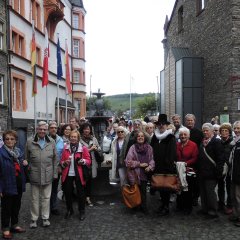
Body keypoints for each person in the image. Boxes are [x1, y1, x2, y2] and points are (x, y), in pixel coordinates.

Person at [25, 121, 57, 228]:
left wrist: (55, 174)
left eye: (44, 129)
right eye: (40, 129)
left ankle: (45, 218)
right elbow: (27, 158)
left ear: (47, 130)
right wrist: (28, 169)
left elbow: (55, 159)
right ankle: (34, 219)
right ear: (36, 129)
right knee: (34, 198)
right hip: (35, 174)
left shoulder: (52, 142)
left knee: (46, 198)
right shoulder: (30, 142)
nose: (42, 131)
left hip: (48, 174)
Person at [0, 130, 28, 239]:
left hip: (18, 183)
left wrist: (24, 164)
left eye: (12, 139)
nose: (9, 141)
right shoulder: (1, 153)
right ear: (4, 140)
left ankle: (14, 225)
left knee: (16, 206)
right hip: (7, 184)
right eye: (7, 139)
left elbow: (19, 168)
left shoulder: (18, 152)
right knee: (6, 208)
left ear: (16, 140)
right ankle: (5, 228)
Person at [60, 130, 91, 221]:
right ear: (69, 138)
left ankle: (82, 211)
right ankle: (69, 210)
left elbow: (88, 160)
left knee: (81, 194)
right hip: (68, 173)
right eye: (71, 137)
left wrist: (83, 161)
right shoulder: (66, 147)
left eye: (75, 137)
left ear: (78, 138)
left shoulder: (83, 148)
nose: (73, 138)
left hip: (79, 174)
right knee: (68, 193)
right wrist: (64, 162)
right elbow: (61, 161)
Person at [151, 114, 177, 216]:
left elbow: (172, 154)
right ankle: (162, 205)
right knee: (160, 187)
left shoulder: (170, 137)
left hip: (166, 167)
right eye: (159, 124)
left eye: (163, 124)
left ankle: (166, 207)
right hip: (157, 166)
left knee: (166, 188)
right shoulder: (155, 137)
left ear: (166, 126)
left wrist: (168, 167)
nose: (161, 126)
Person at [198, 123, 224, 219]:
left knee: (210, 192)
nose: (205, 132)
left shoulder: (216, 142)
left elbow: (220, 158)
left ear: (212, 131)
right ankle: (205, 209)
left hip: (212, 173)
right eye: (203, 130)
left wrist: (218, 172)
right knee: (203, 192)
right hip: (202, 172)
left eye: (207, 130)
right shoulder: (203, 141)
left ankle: (213, 211)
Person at [125, 130, 155, 214]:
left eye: (142, 136)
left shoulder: (149, 148)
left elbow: (152, 160)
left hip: (145, 174)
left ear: (145, 138)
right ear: (136, 138)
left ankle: (144, 207)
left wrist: (150, 166)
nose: (140, 138)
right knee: (135, 191)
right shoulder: (132, 147)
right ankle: (135, 206)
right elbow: (128, 162)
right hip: (134, 174)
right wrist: (139, 164)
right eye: (138, 136)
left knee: (143, 191)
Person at [176, 127, 199, 214]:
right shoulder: (177, 145)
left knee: (188, 190)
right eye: (181, 134)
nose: (183, 136)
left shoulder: (193, 145)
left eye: (185, 134)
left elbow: (195, 157)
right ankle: (179, 206)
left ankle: (187, 207)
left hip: (189, 171)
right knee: (179, 188)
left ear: (188, 136)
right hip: (178, 170)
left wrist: (186, 163)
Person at [79, 122, 102, 207]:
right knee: (83, 181)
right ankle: (82, 197)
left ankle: (88, 197)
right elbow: (79, 152)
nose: (86, 130)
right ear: (82, 130)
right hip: (82, 164)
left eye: (88, 129)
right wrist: (89, 149)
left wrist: (96, 148)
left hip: (92, 163)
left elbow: (99, 148)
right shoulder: (79, 139)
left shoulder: (93, 138)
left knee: (89, 182)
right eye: (85, 129)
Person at [48, 121, 64, 216]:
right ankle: (45, 208)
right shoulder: (44, 139)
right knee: (46, 189)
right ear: (49, 129)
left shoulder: (60, 140)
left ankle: (53, 207)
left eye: (55, 128)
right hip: (46, 168)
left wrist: (60, 166)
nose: (54, 129)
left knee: (54, 188)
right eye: (52, 127)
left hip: (56, 169)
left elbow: (62, 154)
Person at [219, 123, 233, 214]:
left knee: (229, 186)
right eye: (222, 131)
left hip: (229, 167)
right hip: (220, 167)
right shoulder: (218, 142)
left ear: (229, 132)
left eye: (226, 131)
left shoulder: (232, 142)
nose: (224, 132)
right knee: (220, 186)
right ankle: (221, 203)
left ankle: (229, 205)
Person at [229, 121, 240, 226]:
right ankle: (236, 214)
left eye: (238, 128)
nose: (236, 130)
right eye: (235, 128)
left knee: (238, 197)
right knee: (233, 196)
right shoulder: (235, 142)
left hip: (239, 175)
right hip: (233, 174)